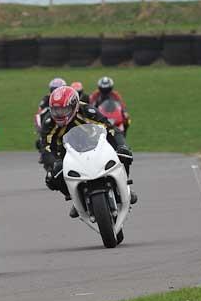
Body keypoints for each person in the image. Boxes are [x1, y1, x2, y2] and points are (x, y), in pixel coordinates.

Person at [39, 86, 137, 218]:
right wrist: (54, 164)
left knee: (124, 154)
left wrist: (121, 145)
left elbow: (110, 128)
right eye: (56, 110)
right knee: (52, 179)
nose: (60, 114)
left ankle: (124, 187)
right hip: (67, 154)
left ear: (74, 105)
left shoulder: (87, 111)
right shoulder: (49, 122)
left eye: (64, 109)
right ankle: (75, 198)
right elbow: (45, 148)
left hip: (95, 145)